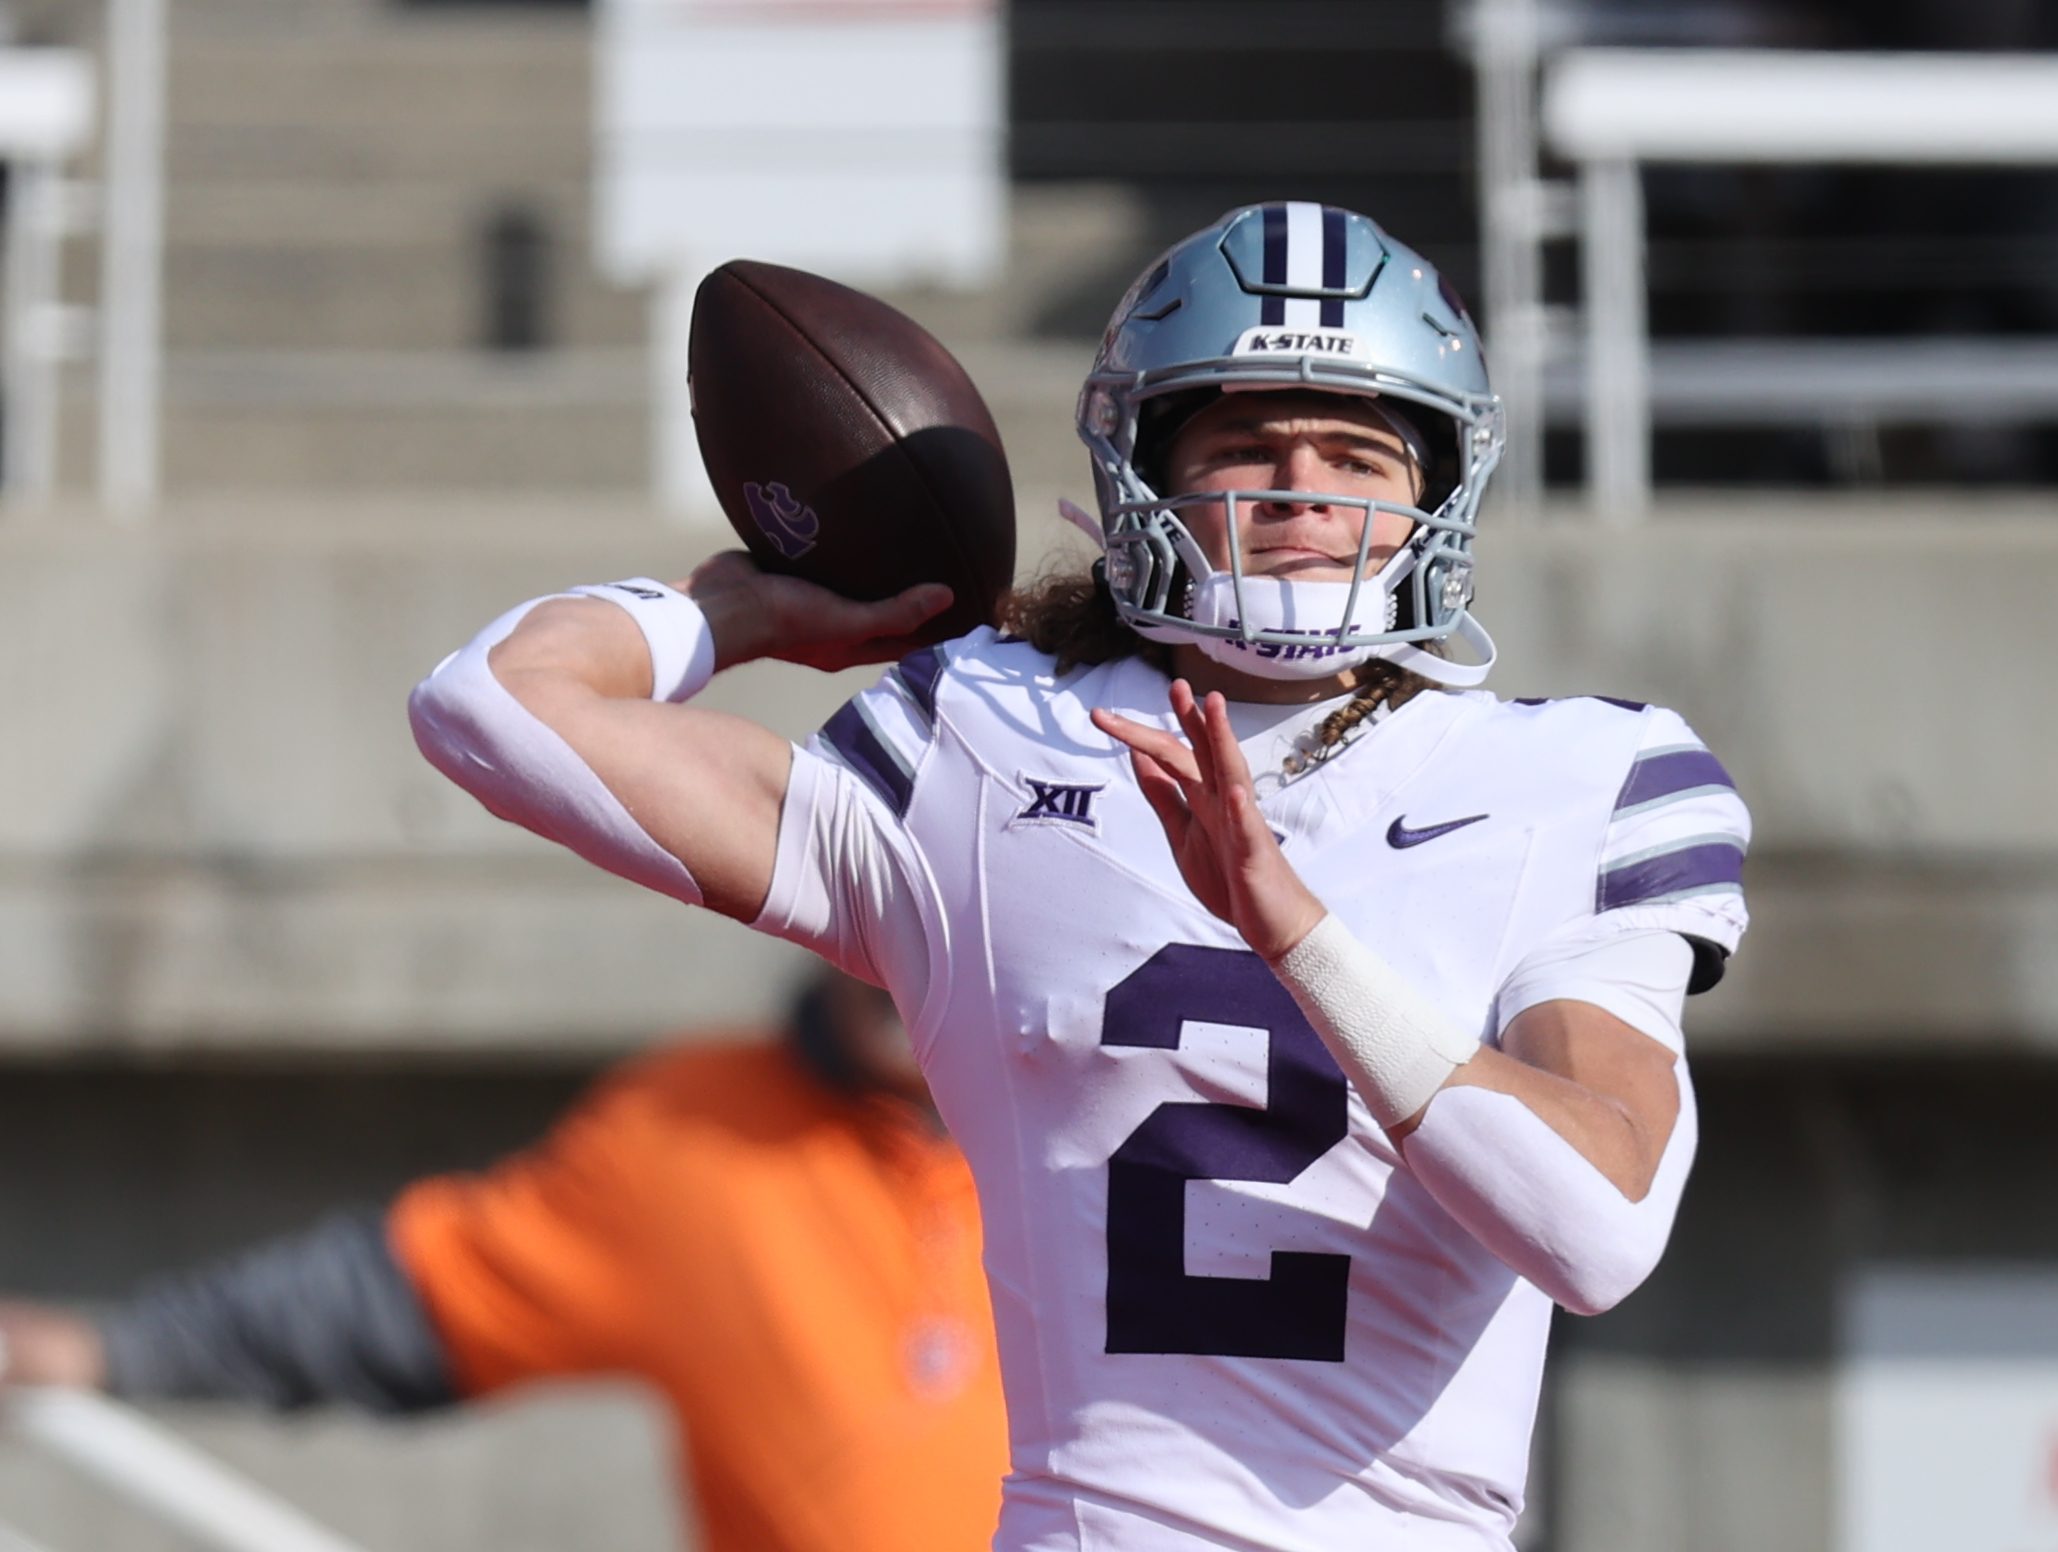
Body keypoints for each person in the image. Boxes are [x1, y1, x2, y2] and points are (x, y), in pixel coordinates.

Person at [406, 201, 1751, 1550]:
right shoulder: (989, 734)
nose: (1300, 489)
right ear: (1145, 474)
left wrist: (1294, 932)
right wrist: (741, 607)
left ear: (1438, 490)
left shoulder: (1581, 778)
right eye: (1244, 445)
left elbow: (1596, 1235)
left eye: (1356, 450)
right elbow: (492, 708)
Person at [0, 969, 1007, 1552]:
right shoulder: (686, 1133)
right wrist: (100, 1348)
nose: (892, 934)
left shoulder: (1147, 1117)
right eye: (872, 875)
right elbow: (407, 1297)